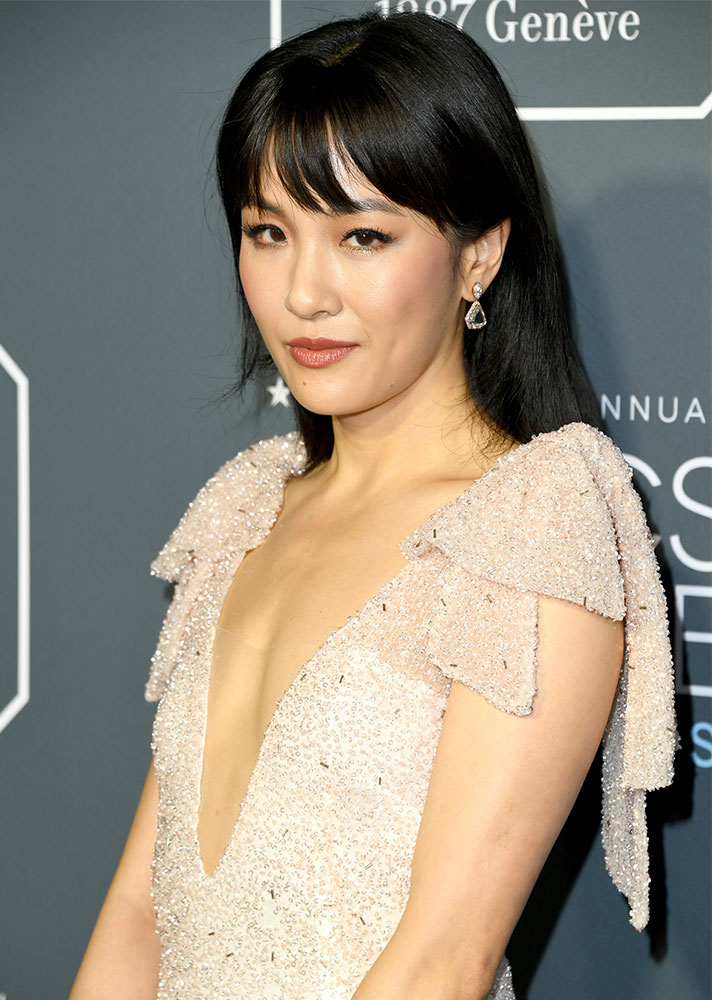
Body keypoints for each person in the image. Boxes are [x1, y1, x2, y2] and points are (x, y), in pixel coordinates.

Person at [69, 11, 677, 1000]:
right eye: (269, 233)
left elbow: (443, 960)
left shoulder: (532, 524)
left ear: (478, 254)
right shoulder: (247, 510)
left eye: (362, 235)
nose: (305, 292)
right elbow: (141, 907)